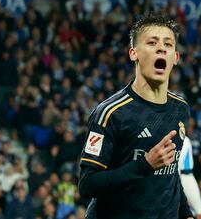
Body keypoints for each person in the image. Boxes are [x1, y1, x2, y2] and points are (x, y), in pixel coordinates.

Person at [78, 12, 193, 219]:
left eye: (168, 44)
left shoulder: (180, 108)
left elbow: (170, 173)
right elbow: (88, 184)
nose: (161, 48)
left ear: (175, 57)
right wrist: (145, 165)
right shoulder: (111, 112)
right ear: (134, 53)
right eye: (152, 42)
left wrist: (186, 214)